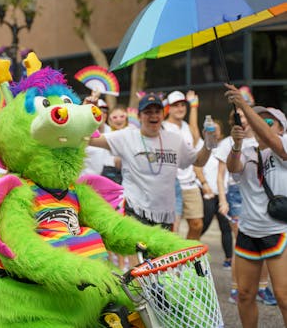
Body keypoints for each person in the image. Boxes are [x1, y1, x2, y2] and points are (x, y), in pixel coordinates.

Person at [90, 93, 212, 229]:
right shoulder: (126, 136)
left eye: (157, 111)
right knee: (134, 249)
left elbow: (199, 161)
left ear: (163, 114)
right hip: (135, 210)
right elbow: (90, 139)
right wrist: (89, 113)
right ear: (139, 116)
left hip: (164, 214)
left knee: (163, 250)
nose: (153, 116)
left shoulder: (175, 140)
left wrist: (208, 144)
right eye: (148, 112)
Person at [224, 83, 287, 327]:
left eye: (269, 121)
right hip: (249, 232)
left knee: (283, 297)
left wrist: (243, 105)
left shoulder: (283, 144)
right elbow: (233, 168)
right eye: (258, 120)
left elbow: (272, 140)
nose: (262, 124)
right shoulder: (248, 150)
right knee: (245, 295)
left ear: (281, 127)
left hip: (278, 232)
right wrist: (237, 145)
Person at [216, 108, 277, 306]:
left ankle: (262, 288)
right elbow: (221, 175)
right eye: (239, 116)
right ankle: (236, 288)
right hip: (236, 194)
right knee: (241, 243)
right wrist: (223, 200)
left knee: (267, 243)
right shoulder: (227, 143)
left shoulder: (263, 138)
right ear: (232, 118)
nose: (243, 119)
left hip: (261, 194)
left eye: (246, 115)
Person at [163, 90, 204, 239]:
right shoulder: (163, 127)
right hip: (172, 185)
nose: (180, 108)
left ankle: (188, 258)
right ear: (169, 108)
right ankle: (174, 259)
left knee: (197, 224)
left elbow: (195, 138)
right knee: (173, 229)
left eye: (182, 105)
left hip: (190, 183)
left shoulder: (187, 126)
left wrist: (194, 107)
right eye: (175, 105)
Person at [194, 119, 234, 269]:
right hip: (208, 194)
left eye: (216, 129)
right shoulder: (202, 146)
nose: (214, 132)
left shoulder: (226, 146)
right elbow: (196, 168)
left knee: (226, 228)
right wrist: (205, 185)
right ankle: (191, 251)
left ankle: (229, 258)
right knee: (202, 225)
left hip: (223, 193)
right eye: (211, 129)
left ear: (221, 132)